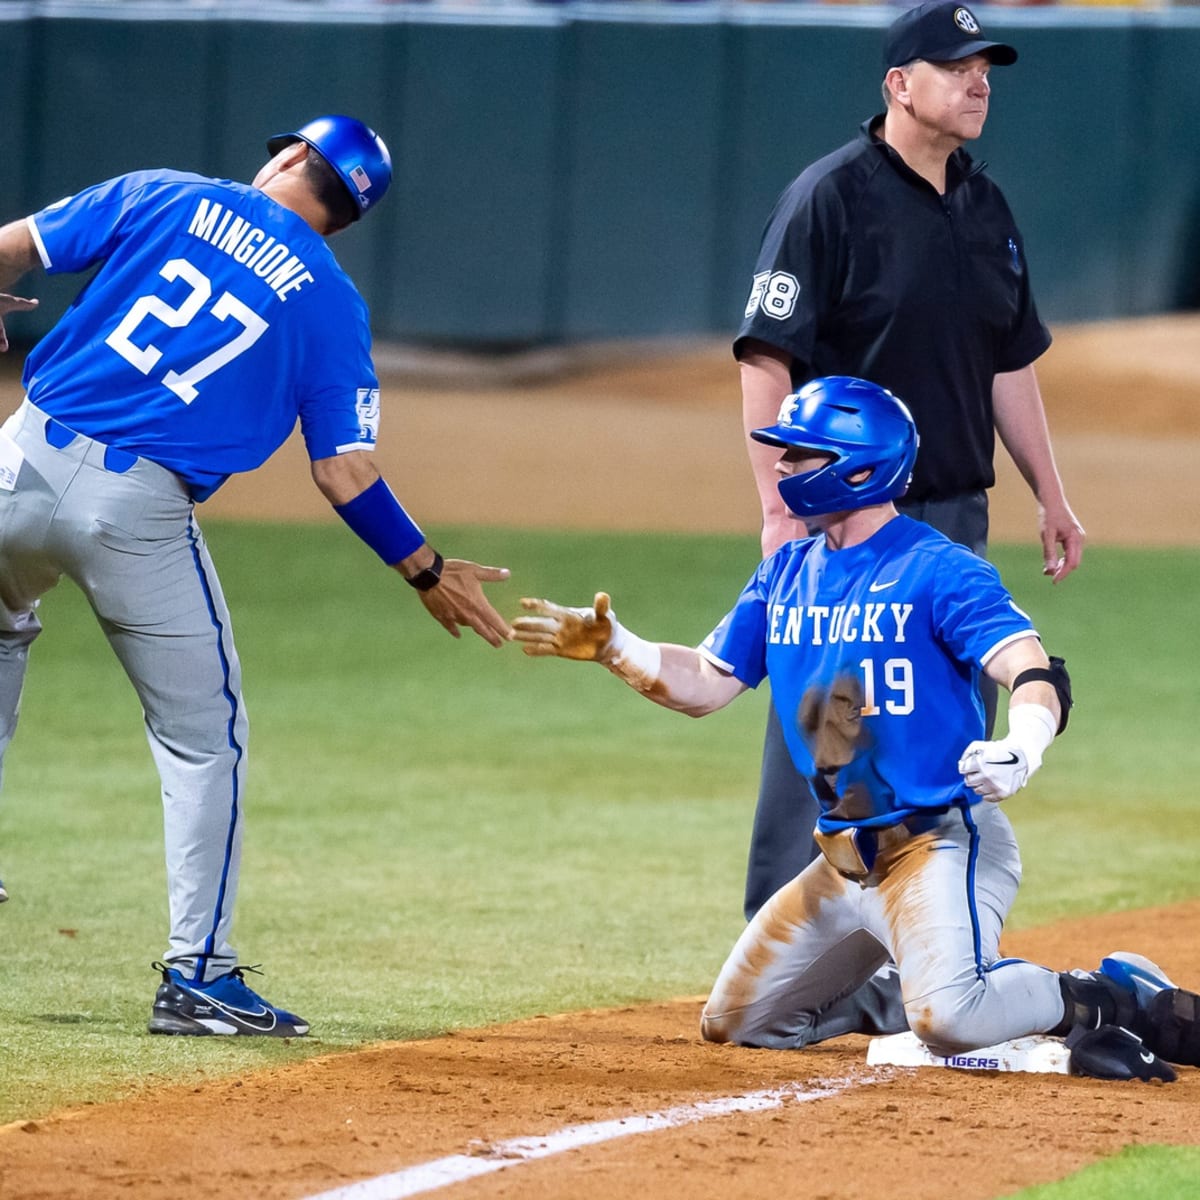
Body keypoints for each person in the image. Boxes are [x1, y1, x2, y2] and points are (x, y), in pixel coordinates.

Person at [511, 376, 1199, 1080]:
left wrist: (1024, 745)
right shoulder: (786, 574)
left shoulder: (937, 569)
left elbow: (1033, 670)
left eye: (799, 455)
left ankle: (1102, 999)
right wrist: (616, 648)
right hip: (844, 861)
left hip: (939, 846)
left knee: (952, 1018)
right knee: (738, 1022)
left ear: (860, 468)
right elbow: (707, 684)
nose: (781, 467)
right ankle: (924, 1000)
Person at [0, 115, 512, 1037]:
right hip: (136, 515)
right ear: (346, 218)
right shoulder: (329, 300)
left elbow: (9, 252)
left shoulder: (163, 190)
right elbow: (343, 471)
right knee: (204, 740)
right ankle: (199, 976)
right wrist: (426, 570)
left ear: (285, 159)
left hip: (16, 464)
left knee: (0, 629)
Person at [736, 2, 1084, 988]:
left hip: (952, 526)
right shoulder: (830, 200)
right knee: (828, 732)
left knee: (938, 746)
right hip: (846, 527)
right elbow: (769, 358)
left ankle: (912, 957)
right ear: (899, 84)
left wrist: (1052, 494)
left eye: (986, 68)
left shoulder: (986, 207)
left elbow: (1007, 363)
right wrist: (777, 507)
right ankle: (788, 949)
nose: (979, 81)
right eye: (957, 65)